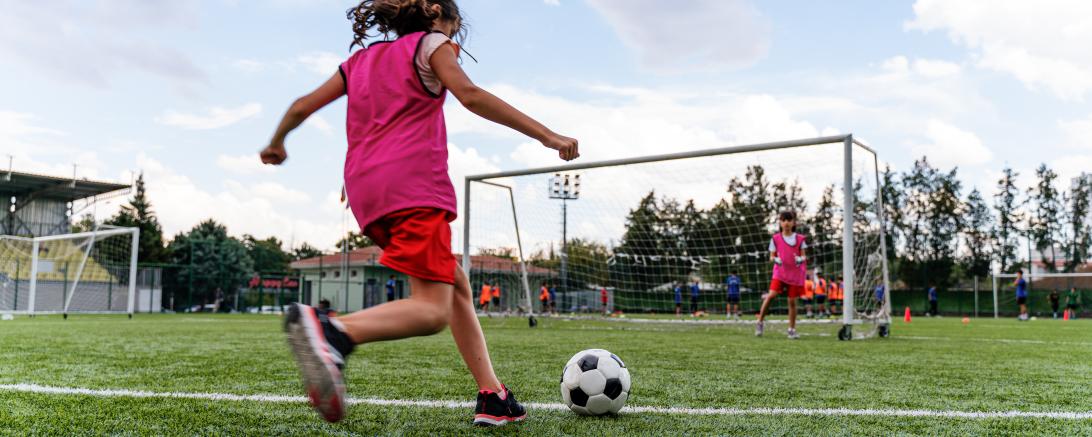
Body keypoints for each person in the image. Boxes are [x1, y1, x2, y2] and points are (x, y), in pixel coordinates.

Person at [266, 0, 578, 425]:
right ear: (435, 14)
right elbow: (470, 95)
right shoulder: (433, 44)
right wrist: (547, 135)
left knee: (456, 284)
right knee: (432, 310)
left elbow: (302, 105)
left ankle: (493, 396)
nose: (453, 38)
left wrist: (277, 142)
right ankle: (333, 331)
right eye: (454, 27)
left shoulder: (360, 60)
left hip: (365, 192)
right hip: (413, 187)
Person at [756, 211, 808, 339]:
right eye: (784, 220)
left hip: (795, 274)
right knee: (771, 295)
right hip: (780, 272)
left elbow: (804, 255)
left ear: (793, 223)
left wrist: (800, 259)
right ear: (780, 222)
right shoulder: (775, 238)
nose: (786, 223)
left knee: (792, 301)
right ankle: (760, 322)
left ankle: (791, 329)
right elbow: (771, 256)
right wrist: (776, 259)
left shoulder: (800, 239)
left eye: (789, 220)